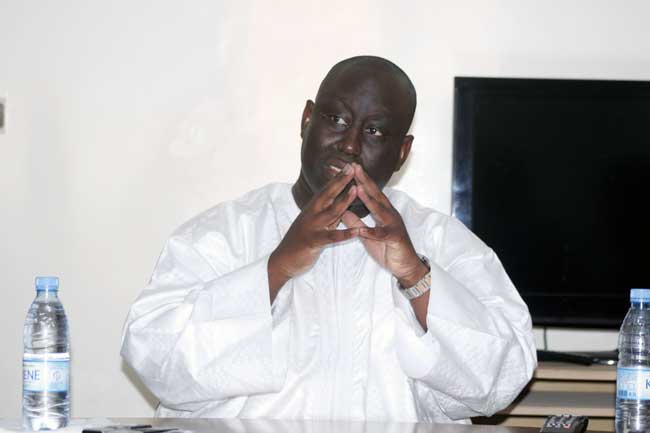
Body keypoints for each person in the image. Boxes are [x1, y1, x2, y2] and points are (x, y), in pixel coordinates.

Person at [120, 56, 537, 423]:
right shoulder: (224, 232)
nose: (350, 145)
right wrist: (276, 268)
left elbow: (504, 380)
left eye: (374, 131)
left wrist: (415, 275)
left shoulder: (440, 240)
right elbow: (153, 359)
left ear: (402, 152)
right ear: (306, 120)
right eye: (336, 120)